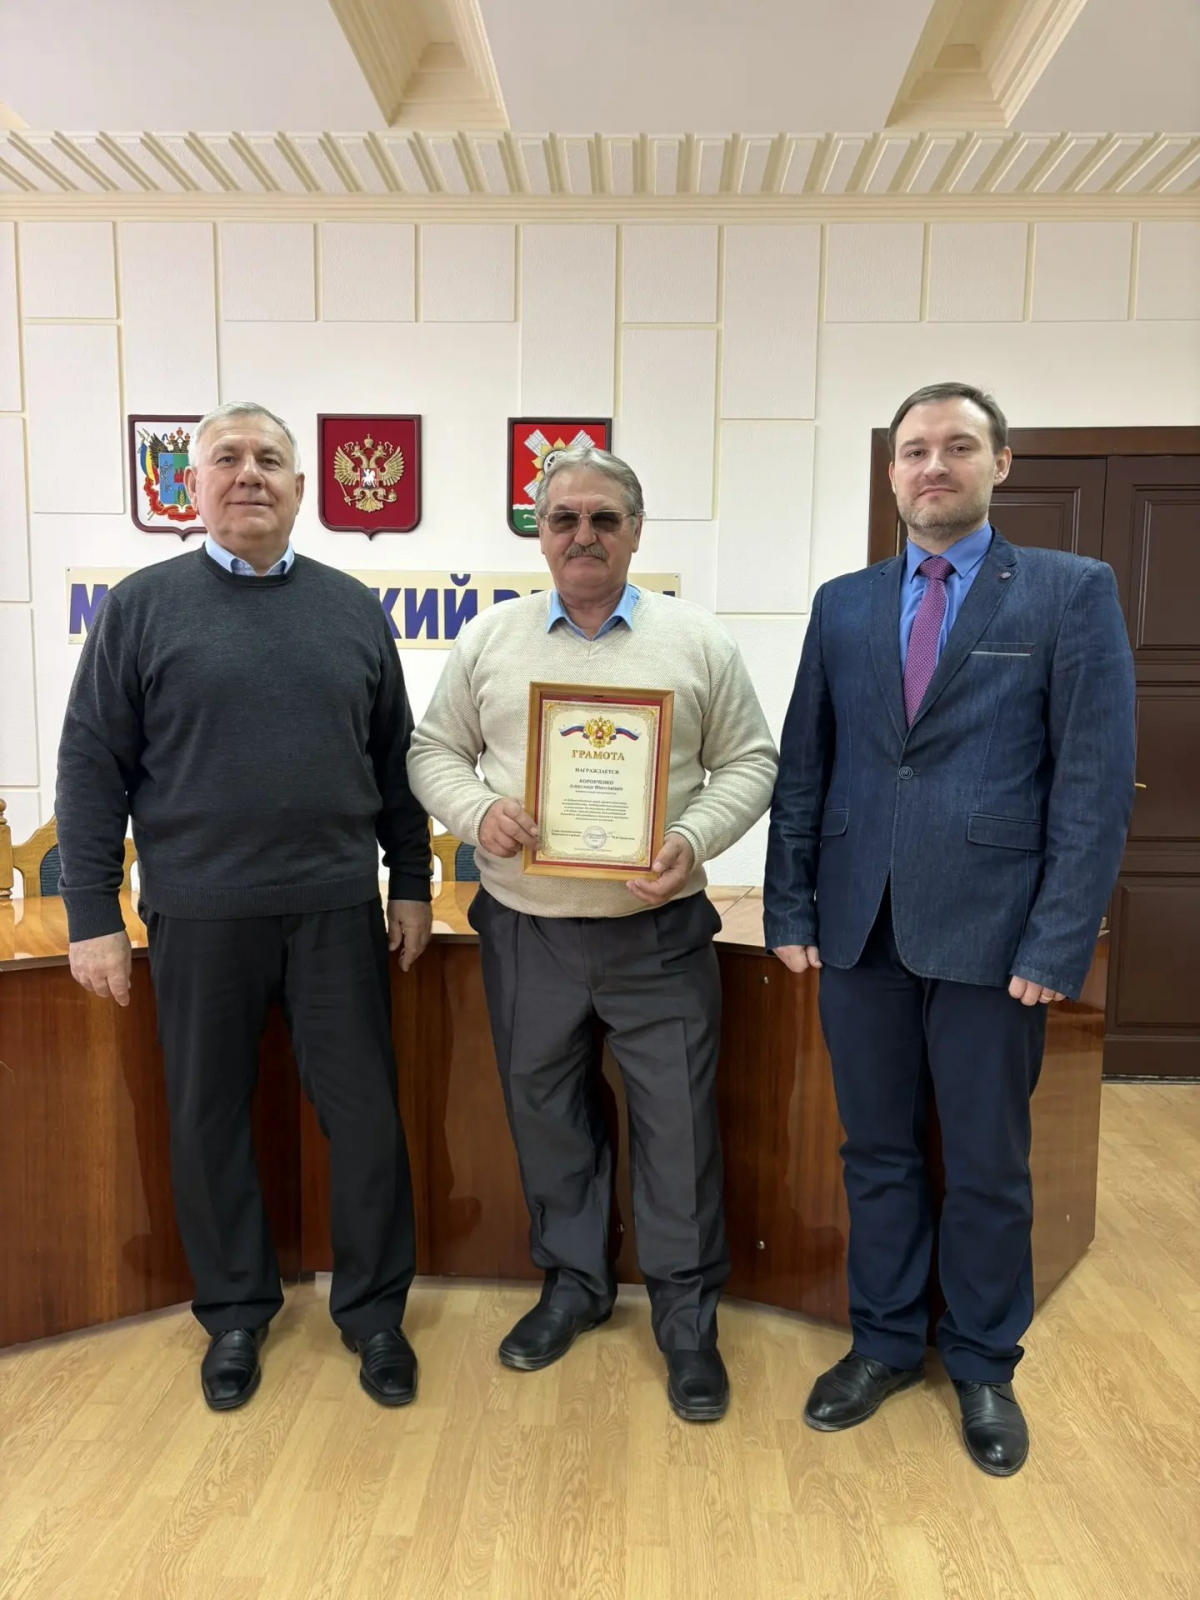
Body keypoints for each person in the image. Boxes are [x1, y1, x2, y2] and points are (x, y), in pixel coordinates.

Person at [765, 382, 1135, 1475]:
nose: (935, 465)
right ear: (891, 473)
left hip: (995, 940)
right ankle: (883, 1343)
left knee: (985, 1163)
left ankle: (981, 1362)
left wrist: (1057, 941)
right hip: (860, 930)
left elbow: (1093, 784)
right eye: (916, 449)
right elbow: (806, 766)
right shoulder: (842, 604)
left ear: (999, 463)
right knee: (876, 1151)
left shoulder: (1069, 592)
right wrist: (790, 903)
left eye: (959, 446)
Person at [56, 401, 432, 1411]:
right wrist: (91, 912)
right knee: (207, 1117)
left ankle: (374, 1314)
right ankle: (232, 1313)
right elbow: (90, 765)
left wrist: (412, 881)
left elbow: (393, 760)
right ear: (195, 486)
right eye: (227, 458)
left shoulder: (353, 608)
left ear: (302, 489)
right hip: (199, 910)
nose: (249, 473)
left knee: (364, 1118)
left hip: (335, 909)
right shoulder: (140, 607)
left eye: (270, 458)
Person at [408, 445, 777, 1422]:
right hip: (527, 932)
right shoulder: (490, 639)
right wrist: (478, 812)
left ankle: (687, 1321)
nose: (583, 535)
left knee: (677, 1129)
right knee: (548, 1117)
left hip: (656, 933)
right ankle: (574, 1284)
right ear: (538, 531)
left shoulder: (697, 642)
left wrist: (694, 838)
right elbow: (432, 750)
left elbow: (751, 761)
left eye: (604, 518)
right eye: (563, 518)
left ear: (635, 532)